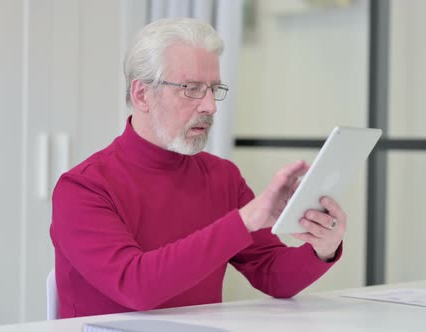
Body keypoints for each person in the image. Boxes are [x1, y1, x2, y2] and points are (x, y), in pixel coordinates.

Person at [50, 17, 347, 319]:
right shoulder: (83, 188)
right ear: (142, 95)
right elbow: (135, 286)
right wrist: (243, 221)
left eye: (214, 89)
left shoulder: (222, 177)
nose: (210, 106)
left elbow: (273, 274)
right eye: (191, 88)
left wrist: (323, 248)